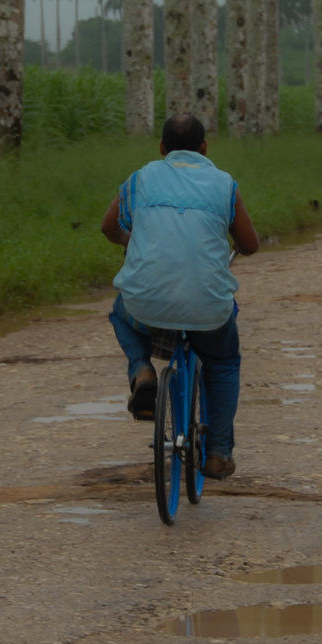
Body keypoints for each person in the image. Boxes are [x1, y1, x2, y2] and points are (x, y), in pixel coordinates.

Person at [100, 114, 259, 480]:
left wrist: (130, 241)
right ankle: (218, 451)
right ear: (205, 148)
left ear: (161, 148)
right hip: (208, 309)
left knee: (121, 312)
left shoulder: (139, 179)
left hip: (145, 303)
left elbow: (109, 227)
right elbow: (249, 245)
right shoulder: (224, 185)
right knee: (223, 363)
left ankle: (142, 370)